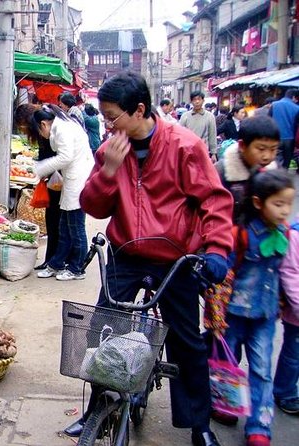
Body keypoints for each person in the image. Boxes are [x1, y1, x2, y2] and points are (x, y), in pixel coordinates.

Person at [73, 72, 234, 446]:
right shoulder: (110, 150)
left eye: (112, 117)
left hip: (175, 258)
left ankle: (200, 425)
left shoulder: (184, 146)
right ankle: (96, 407)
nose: (108, 125)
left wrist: (216, 249)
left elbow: (214, 200)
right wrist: (108, 172)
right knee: (102, 329)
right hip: (127, 254)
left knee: (186, 341)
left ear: (140, 110)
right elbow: (92, 204)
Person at [222, 170, 295, 446]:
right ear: (257, 202)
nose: (285, 210)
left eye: (288, 203)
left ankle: (259, 427)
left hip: (265, 315)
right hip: (233, 314)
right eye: (278, 204)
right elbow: (225, 273)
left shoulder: (286, 233)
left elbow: (287, 273)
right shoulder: (239, 235)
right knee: (227, 363)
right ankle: (226, 405)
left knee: (262, 369)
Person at [33, 104, 94, 281]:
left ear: (43, 124)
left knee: (75, 228)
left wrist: (41, 168)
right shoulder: (62, 126)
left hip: (78, 180)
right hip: (72, 179)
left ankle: (77, 269)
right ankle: (56, 264)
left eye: (39, 130)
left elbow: (65, 157)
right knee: (64, 227)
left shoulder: (62, 130)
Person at [14, 103, 60, 268]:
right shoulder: (43, 130)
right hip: (53, 179)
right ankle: (52, 259)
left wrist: (42, 169)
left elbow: (53, 156)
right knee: (52, 220)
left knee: (56, 221)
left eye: (23, 127)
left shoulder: (48, 130)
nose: (23, 131)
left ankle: (56, 261)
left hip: (58, 181)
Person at [215, 116, 279, 225]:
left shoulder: (273, 173)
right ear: (242, 145)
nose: (267, 156)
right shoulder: (221, 171)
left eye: (273, 149)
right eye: (261, 149)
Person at [274, 212, 299, 416]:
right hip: (296, 312)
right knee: (293, 355)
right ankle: (286, 392)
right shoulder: (294, 236)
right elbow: (290, 273)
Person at [180, 91, 218, 161]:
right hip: (188, 152)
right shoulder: (185, 116)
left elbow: (212, 135)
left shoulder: (210, 116)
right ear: (191, 101)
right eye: (194, 99)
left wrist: (213, 153)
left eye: (199, 99)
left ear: (203, 100)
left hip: (203, 152)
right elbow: (180, 135)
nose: (197, 102)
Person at [269, 88, 299, 168]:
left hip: (275, 137)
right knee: (286, 162)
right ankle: (282, 177)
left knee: (275, 160)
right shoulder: (297, 108)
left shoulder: (274, 104)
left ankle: (275, 175)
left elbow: (268, 120)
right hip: (290, 139)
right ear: (293, 97)